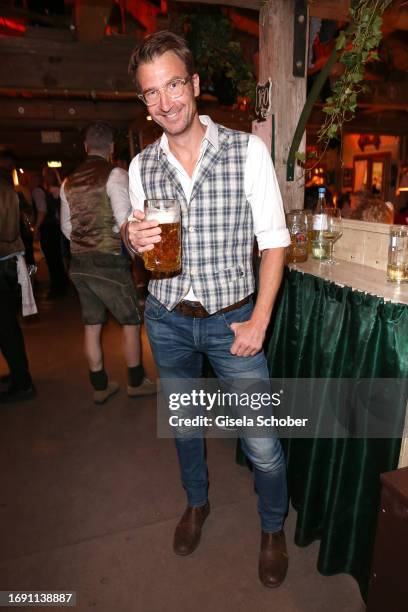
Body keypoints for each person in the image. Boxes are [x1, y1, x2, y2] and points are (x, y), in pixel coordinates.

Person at [124, 31, 290, 588]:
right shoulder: (141, 165)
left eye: (173, 84)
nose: (165, 101)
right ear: (144, 103)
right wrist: (132, 238)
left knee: (262, 442)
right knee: (186, 427)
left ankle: (272, 528)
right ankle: (197, 504)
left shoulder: (248, 151)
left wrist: (260, 319)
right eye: (151, 93)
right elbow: (140, 241)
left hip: (231, 321)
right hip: (167, 319)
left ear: (194, 85)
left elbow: (275, 241)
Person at [60, 122, 155, 404]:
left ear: (86, 147)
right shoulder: (115, 175)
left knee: (91, 325)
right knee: (130, 321)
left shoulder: (68, 181)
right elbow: (123, 220)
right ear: (112, 148)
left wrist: (86, 237)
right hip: (109, 262)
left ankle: (100, 385)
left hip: (78, 263)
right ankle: (136, 382)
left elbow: (67, 228)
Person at [0, 150, 36, 404]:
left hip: (4, 262)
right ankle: (18, 375)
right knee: (6, 327)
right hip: (8, 261)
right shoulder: (7, 189)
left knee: (5, 328)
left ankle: (22, 382)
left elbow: (10, 228)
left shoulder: (4, 191)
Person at [31, 171, 69, 297]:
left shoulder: (40, 191)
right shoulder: (48, 191)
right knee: (55, 257)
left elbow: (42, 211)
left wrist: (36, 229)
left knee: (52, 258)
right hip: (53, 227)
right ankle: (61, 284)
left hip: (49, 227)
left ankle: (58, 286)